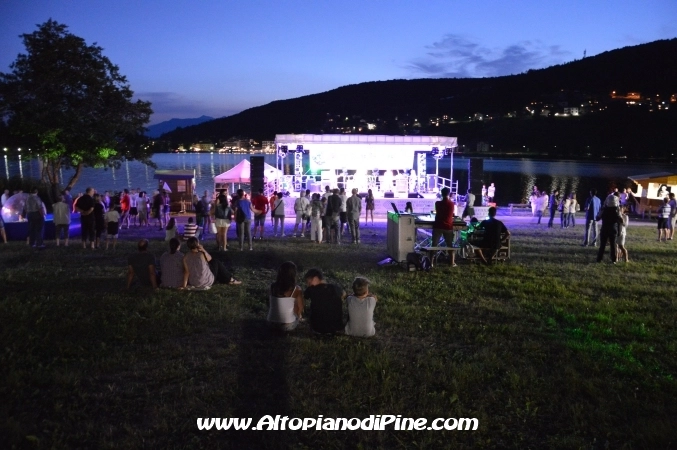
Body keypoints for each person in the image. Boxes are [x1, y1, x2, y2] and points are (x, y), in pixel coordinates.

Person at [304, 268, 346, 334]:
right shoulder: (335, 287)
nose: (309, 285)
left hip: (318, 328)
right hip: (336, 328)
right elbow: (344, 294)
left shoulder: (311, 289)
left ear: (315, 278)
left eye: (309, 282)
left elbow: (304, 296)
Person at [267, 261, 304, 331]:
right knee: (295, 303)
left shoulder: (272, 287)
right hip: (287, 326)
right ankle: (299, 318)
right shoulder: (296, 289)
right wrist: (299, 315)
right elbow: (300, 307)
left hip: (271, 323)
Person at [432, 187, 457, 267]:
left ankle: (431, 262)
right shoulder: (451, 204)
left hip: (438, 225)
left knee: (434, 244)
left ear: (441, 194)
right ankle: (452, 262)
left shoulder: (437, 203)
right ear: (449, 194)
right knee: (450, 245)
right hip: (448, 226)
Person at [595, 194, 623, 263]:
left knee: (602, 245)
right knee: (613, 245)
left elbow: (597, 218)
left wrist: (601, 212)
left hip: (604, 228)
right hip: (613, 229)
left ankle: (599, 259)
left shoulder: (604, 209)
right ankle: (613, 260)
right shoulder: (616, 210)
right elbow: (621, 221)